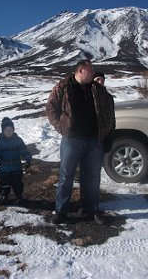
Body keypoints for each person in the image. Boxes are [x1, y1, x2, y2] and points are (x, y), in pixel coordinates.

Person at [46, 60, 115, 224]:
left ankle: (91, 209)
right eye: (91, 70)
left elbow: (108, 111)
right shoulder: (63, 86)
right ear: (81, 70)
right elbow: (51, 108)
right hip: (72, 140)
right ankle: (61, 211)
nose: (93, 73)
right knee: (66, 176)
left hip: (93, 141)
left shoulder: (97, 89)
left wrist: (104, 132)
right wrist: (62, 128)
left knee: (92, 177)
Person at [0, 117, 32, 204]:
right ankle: (4, 195)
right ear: (3, 130)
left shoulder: (18, 140)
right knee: (4, 184)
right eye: (6, 129)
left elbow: (24, 151)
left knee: (18, 184)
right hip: (4, 169)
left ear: (13, 130)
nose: (8, 131)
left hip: (17, 168)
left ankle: (19, 196)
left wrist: (28, 160)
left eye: (10, 129)